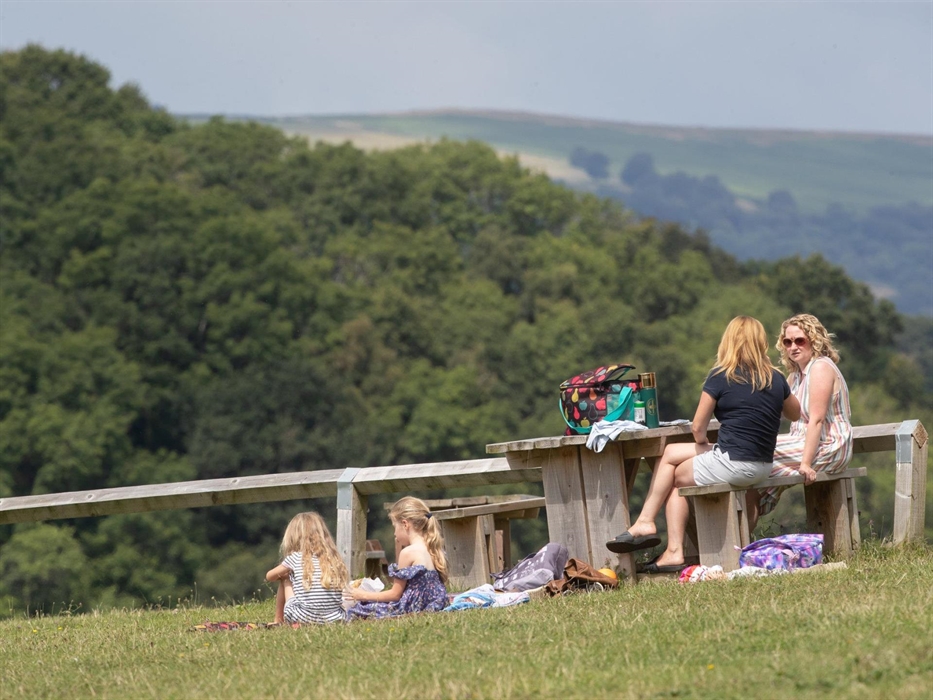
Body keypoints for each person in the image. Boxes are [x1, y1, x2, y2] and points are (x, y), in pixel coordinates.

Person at [606, 316, 799, 573]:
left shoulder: (720, 376)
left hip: (733, 463)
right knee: (671, 452)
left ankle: (666, 543)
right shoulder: (775, 378)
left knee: (675, 476)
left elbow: (698, 427)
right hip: (763, 466)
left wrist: (702, 444)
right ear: (760, 343)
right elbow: (795, 413)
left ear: (728, 342)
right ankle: (646, 522)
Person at [746, 314, 853, 532]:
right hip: (802, 441)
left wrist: (806, 463)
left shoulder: (821, 367)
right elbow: (776, 412)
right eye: (787, 342)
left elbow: (817, 420)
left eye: (799, 340)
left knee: (752, 455)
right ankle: (739, 539)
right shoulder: (795, 375)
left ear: (814, 340)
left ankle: (738, 539)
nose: (793, 347)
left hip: (828, 445)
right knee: (748, 469)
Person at [346, 496, 448, 619]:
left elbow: (395, 595)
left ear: (405, 524)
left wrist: (362, 595)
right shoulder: (432, 548)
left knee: (359, 609)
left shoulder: (407, 553)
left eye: (394, 527)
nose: (394, 533)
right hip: (433, 604)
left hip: (412, 606)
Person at [266, 511, 348, 625]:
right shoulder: (334, 558)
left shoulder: (295, 558)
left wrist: (287, 573)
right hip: (335, 618)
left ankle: (278, 620)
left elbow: (269, 576)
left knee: (285, 578)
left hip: (302, 617)